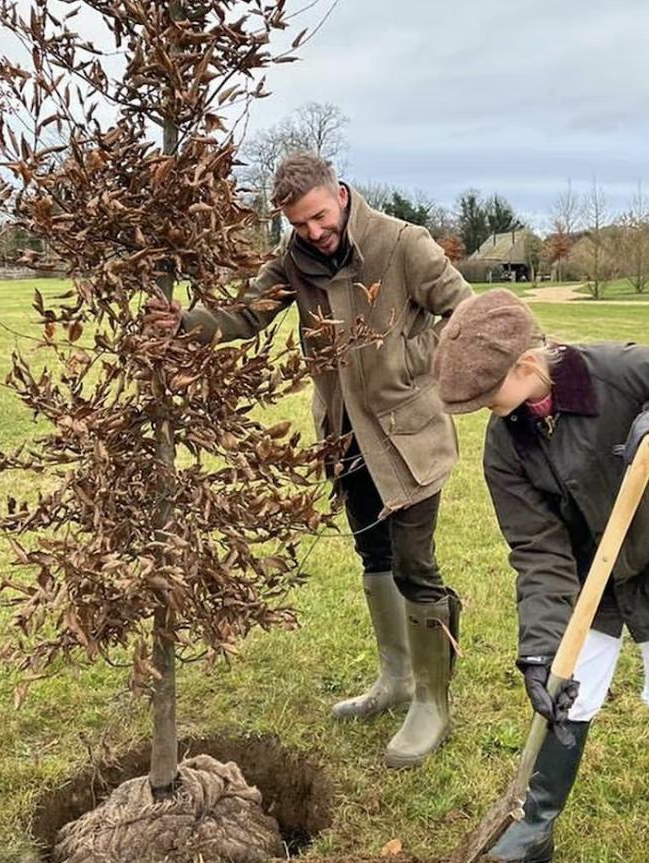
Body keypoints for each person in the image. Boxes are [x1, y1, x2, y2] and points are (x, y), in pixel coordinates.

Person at [146, 152, 472, 769]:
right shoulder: (293, 261)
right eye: (300, 226)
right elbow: (246, 314)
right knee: (373, 555)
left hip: (408, 436)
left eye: (320, 219)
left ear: (340, 194)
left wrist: (405, 354)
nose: (314, 233)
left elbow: (466, 314)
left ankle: (432, 702)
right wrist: (185, 322)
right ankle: (396, 680)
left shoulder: (404, 245)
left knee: (414, 565)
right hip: (345, 436)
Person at [433, 288, 649, 863]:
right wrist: (541, 646)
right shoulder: (507, 444)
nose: (485, 413)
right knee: (567, 686)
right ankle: (536, 822)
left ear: (526, 365)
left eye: (487, 395)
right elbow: (537, 549)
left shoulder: (615, 371)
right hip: (588, 582)